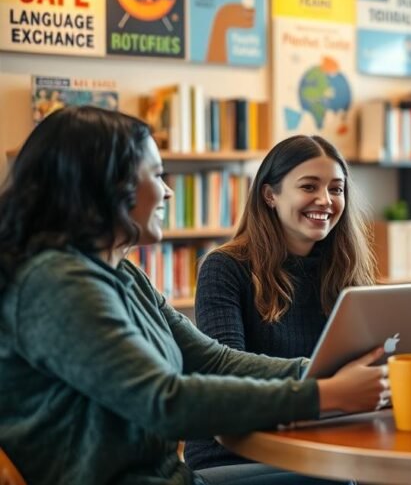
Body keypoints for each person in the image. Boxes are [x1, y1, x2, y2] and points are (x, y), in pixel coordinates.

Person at [0, 107, 385, 485]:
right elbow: (166, 401)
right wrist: (322, 393)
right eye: (155, 175)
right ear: (106, 185)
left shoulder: (124, 274)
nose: (168, 191)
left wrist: (319, 374)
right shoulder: (56, 284)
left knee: (344, 478)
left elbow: (211, 358)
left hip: (174, 477)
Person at [185, 135, 377, 471]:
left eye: (336, 189)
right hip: (237, 454)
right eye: (309, 187)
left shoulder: (347, 268)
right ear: (270, 195)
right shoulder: (224, 267)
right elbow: (227, 380)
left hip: (324, 441)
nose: (326, 200)